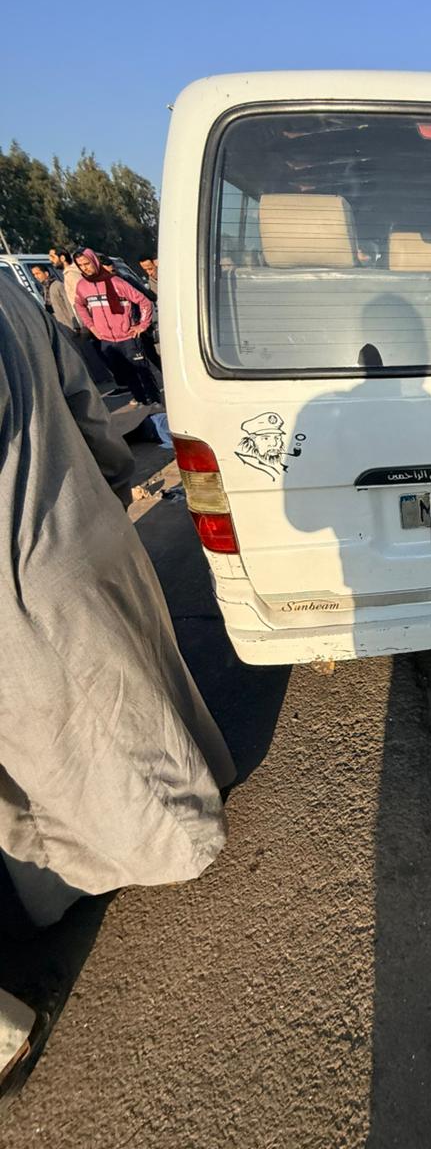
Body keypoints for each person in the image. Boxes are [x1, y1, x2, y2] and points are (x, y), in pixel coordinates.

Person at [0, 279, 234, 927]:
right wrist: (109, 484)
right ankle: (197, 785)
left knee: (76, 736)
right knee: (136, 683)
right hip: (83, 521)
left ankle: (169, 846)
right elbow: (86, 404)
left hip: (21, 570)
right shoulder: (11, 294)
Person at [73, 248, 162, 405]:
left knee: (142, 371)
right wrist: (92, 327)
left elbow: (145, 302)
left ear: (94, 261)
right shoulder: (82, 286)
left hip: (128, 337)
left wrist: (142, 326)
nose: (84, 268)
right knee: (126, 375)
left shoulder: (116, 282)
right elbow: (79, 306)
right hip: (107, 340)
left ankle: (155, 401)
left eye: (87, 263)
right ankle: (140, 400)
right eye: (80, 265)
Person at [30, 264, 76, 333]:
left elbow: (69, 305)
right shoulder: (45, 289)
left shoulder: (57, 285)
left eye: (38, 273)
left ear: (46, 273)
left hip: (69, 325)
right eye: (34, 275)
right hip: (59, 326)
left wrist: (76, 324)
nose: (36, 277)